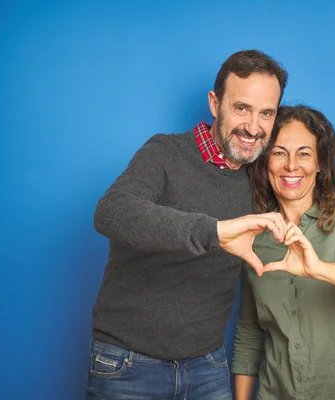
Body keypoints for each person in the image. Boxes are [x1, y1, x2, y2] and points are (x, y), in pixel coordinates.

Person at [87, 50, 289, 400]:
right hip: (128, 366)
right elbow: (111, 211)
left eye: (266, 113)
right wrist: (214, 232)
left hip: (208, 368)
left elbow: (308, 168)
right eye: (241, 108)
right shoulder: (165, 152)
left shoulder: (259, 179)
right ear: (215, 103)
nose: (253, 127)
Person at [232, 105, 335, 400]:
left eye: (304, 153)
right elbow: (248, 333)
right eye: (280, 152)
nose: (292, 166)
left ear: (320, 162)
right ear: (265, 161)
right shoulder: (255, 239)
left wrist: (317, 268)